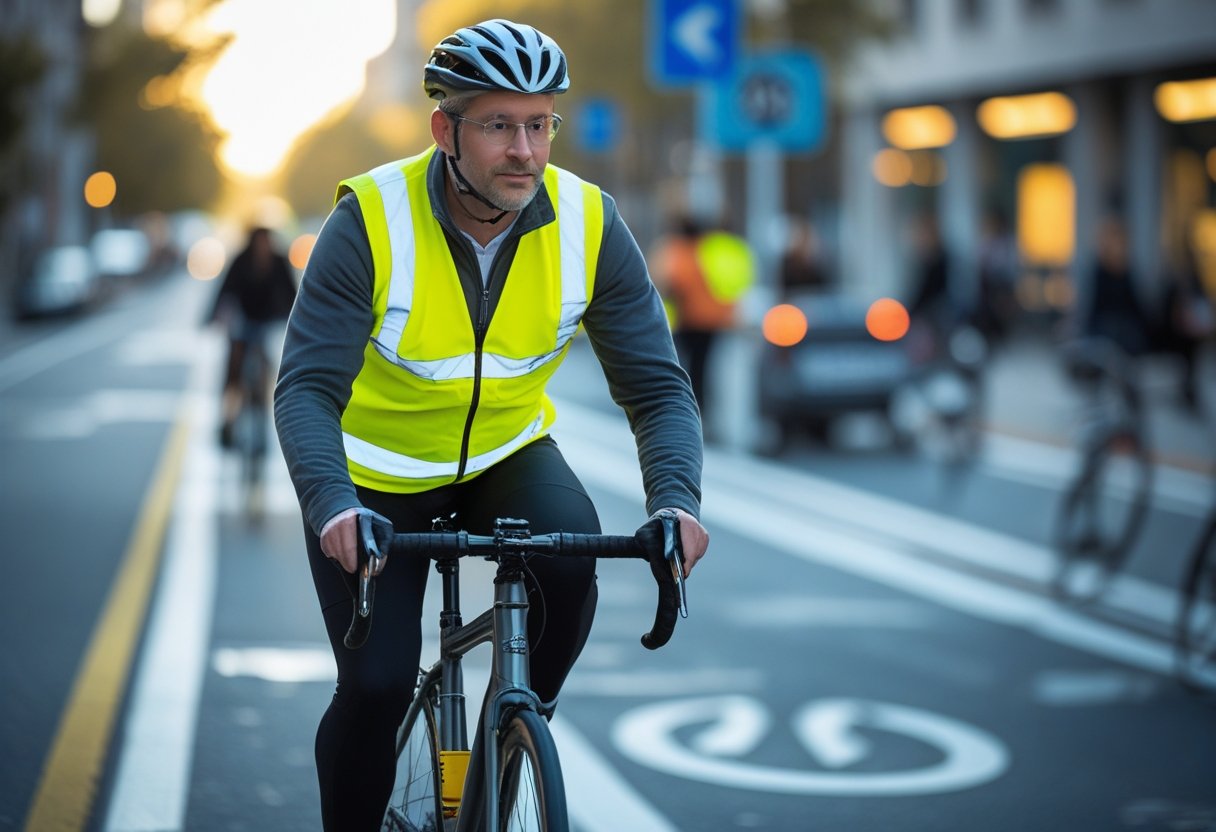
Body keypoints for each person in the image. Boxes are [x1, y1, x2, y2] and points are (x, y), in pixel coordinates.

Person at [272, 19, 709, 831]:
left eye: (540, 124)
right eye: (500, 125)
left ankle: (509, 737)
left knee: (571, 562)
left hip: (506, 455)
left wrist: (676, 500)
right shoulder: (370, 218)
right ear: (446, 131)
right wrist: (332, 504)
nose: (525, 151)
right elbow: (304, 389)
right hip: (374, 476)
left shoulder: (590, 222)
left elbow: (658, 388)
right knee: (375, 687)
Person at [652, 214, 754, 432]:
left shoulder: (679, 252)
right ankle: (701, 409)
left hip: (687, 320)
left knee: (687, 368)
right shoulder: (708, 250)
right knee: (701, 368)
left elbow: (670, 282)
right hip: (710, 319)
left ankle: (689, 410)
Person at [206, 226, 296, 447]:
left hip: (267, 322)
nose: (263, 246)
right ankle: (228, 421)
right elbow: (225, 290)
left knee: (267, 367)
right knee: (234, 369)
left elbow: (293, 294)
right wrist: (212, 316)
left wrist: (296, 319)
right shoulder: (241, 261)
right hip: (243, 321)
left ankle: (264, 416)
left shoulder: (279, 262)